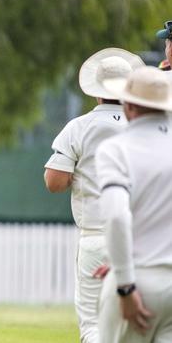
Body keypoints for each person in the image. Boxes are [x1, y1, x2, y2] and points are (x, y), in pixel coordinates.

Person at [43, 48, 144, 343]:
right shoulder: (143, 128)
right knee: (135, 325)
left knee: (92, 325)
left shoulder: (79, 127)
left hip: (95, 236)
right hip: (139, 239)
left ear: (96, 91)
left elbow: (54, 181)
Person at [96, 66, 172, 343]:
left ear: (128, 105)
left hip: (136, 280)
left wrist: (125, 283)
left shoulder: (116, 149)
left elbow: (117, 217)